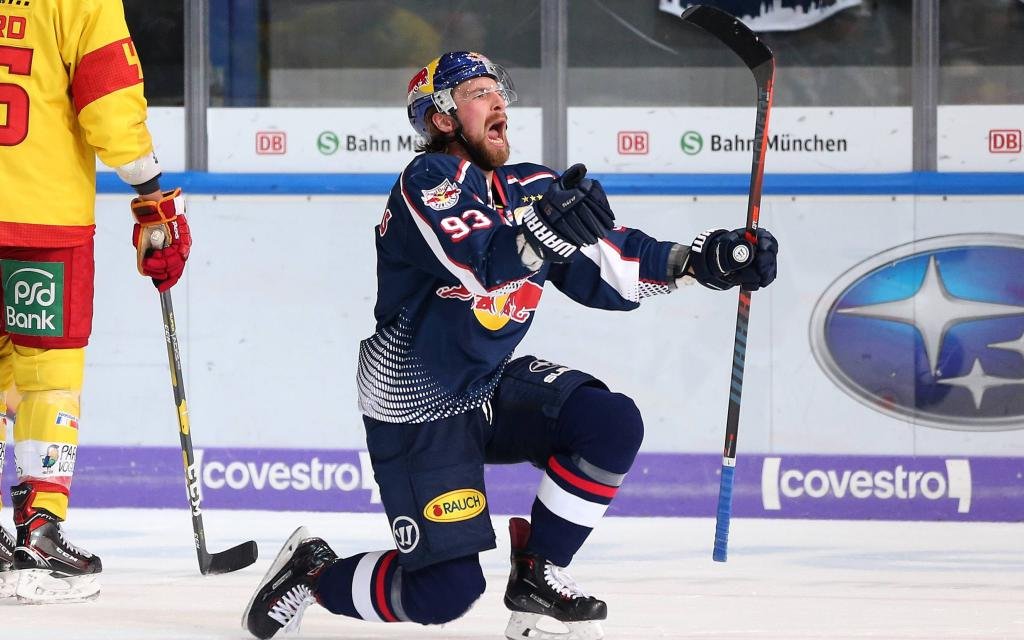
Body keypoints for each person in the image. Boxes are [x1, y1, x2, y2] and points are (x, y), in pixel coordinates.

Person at [242, 51, 777, 640]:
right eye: (477, 93)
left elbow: (616, 264)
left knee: (609, 422)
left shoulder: (531, 188)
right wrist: (543, 235)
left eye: (499, 90)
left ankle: (537, 580)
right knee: (445, 591)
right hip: (417, 403)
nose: (498, 102)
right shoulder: (426, 183)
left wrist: (706, 260)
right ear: (442, 118)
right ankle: (312, 572)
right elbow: (480, 265)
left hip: (489, 383)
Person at [0, 0, 191, 603]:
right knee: (46, 373)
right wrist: (150, 193)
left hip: (42, 216)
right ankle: (40, 532)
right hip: (41, 219)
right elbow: (109, 104)